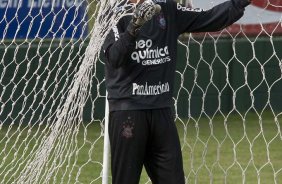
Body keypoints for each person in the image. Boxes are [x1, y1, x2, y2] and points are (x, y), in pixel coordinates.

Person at [102, 0, 251, 183]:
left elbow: (209, 18)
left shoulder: (167, 8)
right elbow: (114, 58)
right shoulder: (112, 13)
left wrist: (240, 3)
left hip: (161, 112)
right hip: (128, 113)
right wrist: (135, 25)